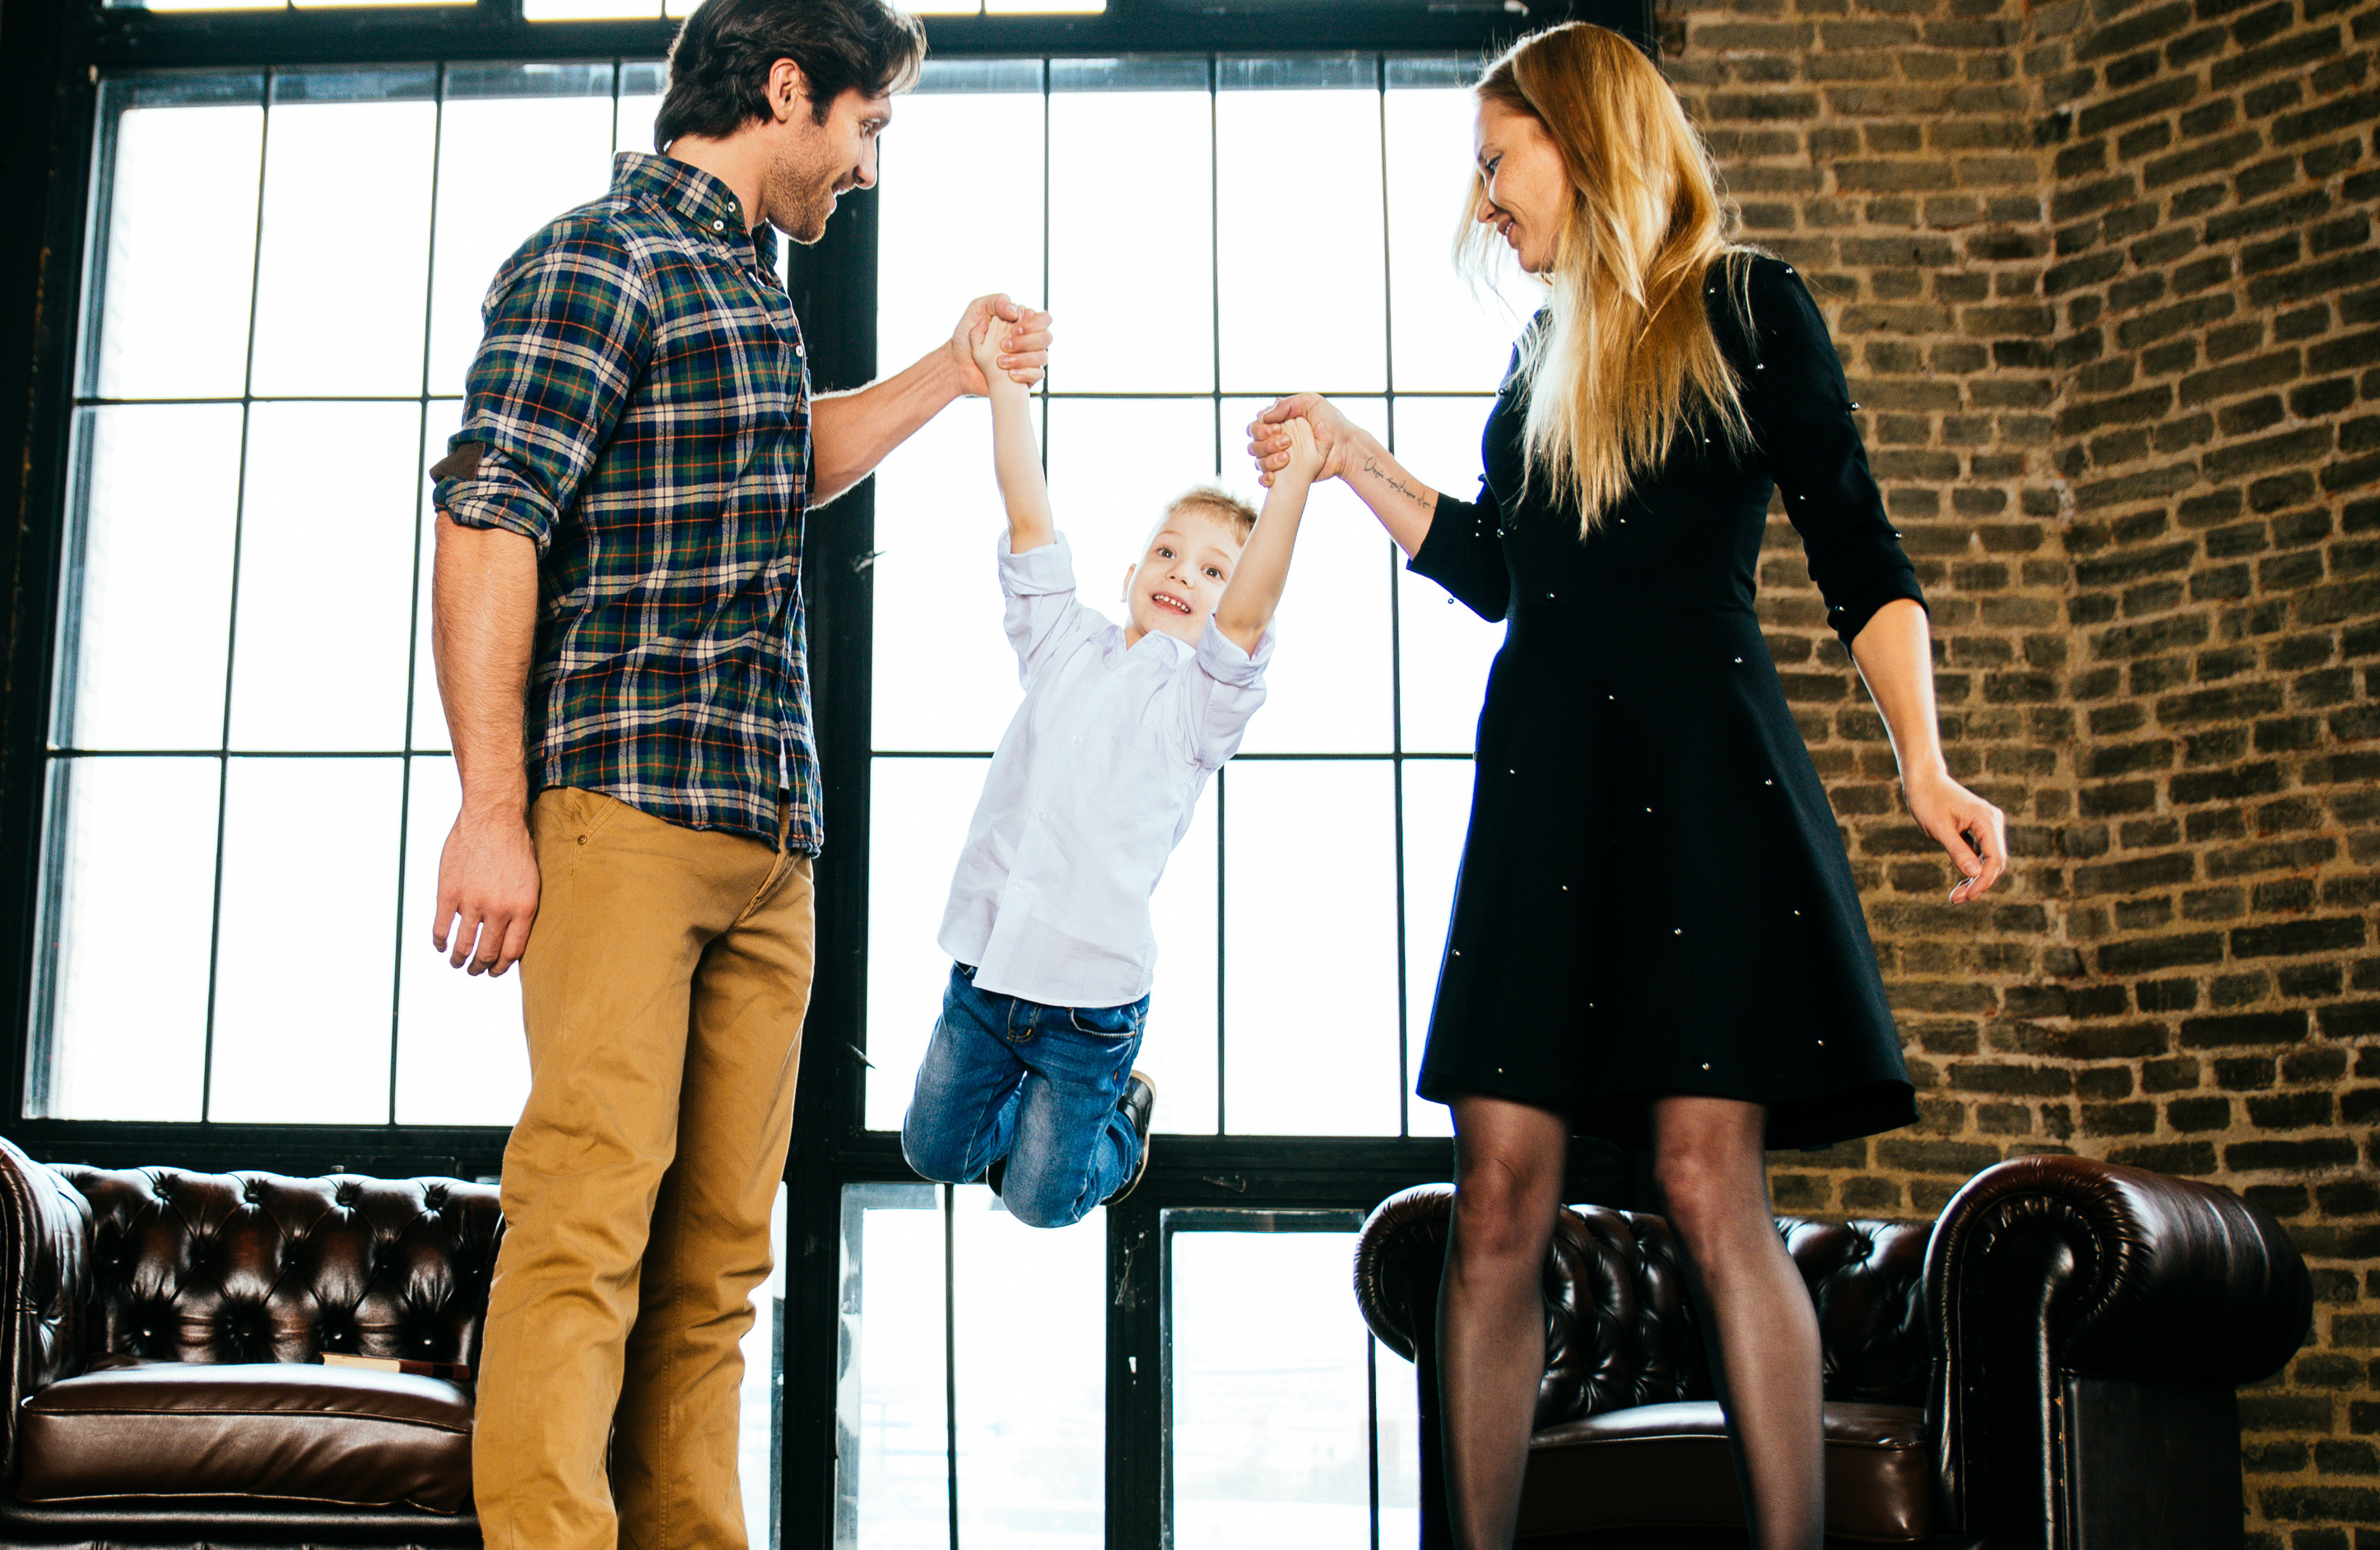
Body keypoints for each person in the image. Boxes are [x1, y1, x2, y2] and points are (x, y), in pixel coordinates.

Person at [1247, 21, 2009, 1550]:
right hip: (1543, 775)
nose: (1482, 202)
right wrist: (1343, 454)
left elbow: (1856, 549)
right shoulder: (1538, 355)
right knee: (1495, 1187)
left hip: (1698, 773)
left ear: (1581, 139)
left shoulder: (1745, 303)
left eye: (1495, 160)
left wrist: (1919, 756)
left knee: (1701, 1172)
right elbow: (1499, 567)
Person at [420, 0, 1053, 1543]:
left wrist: (948, 373)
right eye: (863, 128)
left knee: (715, 1262)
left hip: (769, 834)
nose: (867, 167)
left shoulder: (751, 293)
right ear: (786, 89)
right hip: (620, 812)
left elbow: (788, 460)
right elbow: (486, 514)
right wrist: (489, 806)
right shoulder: (598, 258)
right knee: (585, 1223)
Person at [895, 318, 1318, 1227]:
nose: (1181, 573)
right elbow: (1029, 517)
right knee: (931, 1150)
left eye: (1212, 571)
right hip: (989, 970)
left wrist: (1289, 493)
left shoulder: (1197, 707)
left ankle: (1117, 1123)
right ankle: (1035, 1114)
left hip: (1090, 1004)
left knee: (1041, 1204)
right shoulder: (1065, 645)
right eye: (1167, 553)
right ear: (1133, 570)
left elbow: (1247, 618)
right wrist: (1007, 386)